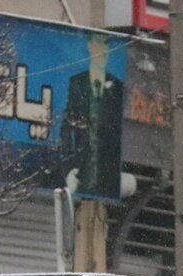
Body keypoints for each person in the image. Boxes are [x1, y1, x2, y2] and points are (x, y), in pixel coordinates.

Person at [60, 32, 123, 199]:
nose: (103, 50)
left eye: (106, 45)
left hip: (108, 176)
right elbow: (66, 130)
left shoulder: (118, 87)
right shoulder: (77, 83)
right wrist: (68, 169)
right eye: (98, 43)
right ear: (89, 46)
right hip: (81, 172)